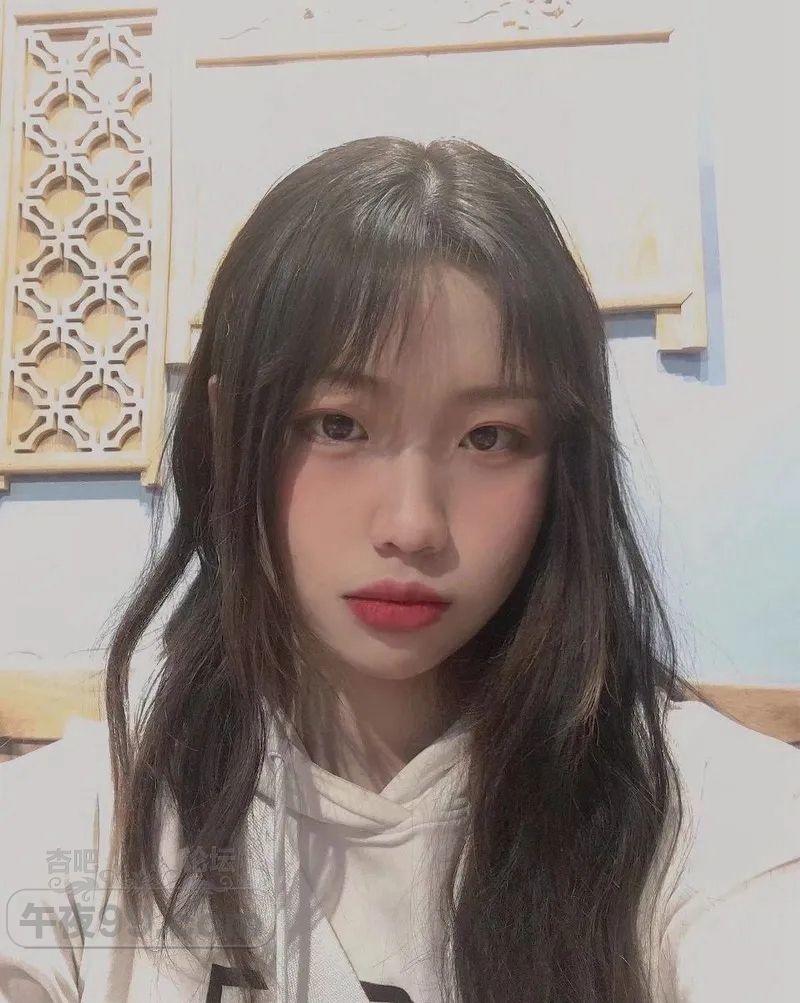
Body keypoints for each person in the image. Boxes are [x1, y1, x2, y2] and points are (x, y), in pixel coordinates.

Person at [1, 136, 798, 1003]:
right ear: (229, 433)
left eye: (489, 437)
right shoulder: (87, 817)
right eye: (337, 425)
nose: (413, 525)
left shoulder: (704, 816)